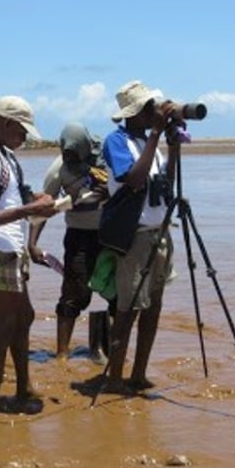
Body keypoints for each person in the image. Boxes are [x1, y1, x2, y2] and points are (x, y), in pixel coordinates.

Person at [0, 95, 56, 409]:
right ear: (4, 124)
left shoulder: (3, 155)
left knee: (23, 316)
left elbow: (8, 199)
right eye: (21, 132)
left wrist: (38, 203)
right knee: (4, 323)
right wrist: (30, 209)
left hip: (8, 245)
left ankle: (22, 386)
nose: (24, 139)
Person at [101, 80, 179, 392]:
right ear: (133, 113)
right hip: (133, 237)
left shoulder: (150, 144)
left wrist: (171, 148)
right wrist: (157, 135)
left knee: (154, 306)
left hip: (159, 233)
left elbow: (165, 183)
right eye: (149, 108)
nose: (155, 112)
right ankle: (115, 377)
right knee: (128, 308)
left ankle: (139, 373)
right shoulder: (116, 141)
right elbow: (133, 180)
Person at [28, 122, 112, 365]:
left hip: (110, 235)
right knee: (74, 294)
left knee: (118, 294)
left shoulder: (105, 159)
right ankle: (62, 354)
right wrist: (32, 243)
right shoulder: (59, 168)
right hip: (79, 236)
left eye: (76, 155)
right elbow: (44, 206)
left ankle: (109, 351)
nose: (71, 159)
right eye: (68, 155)